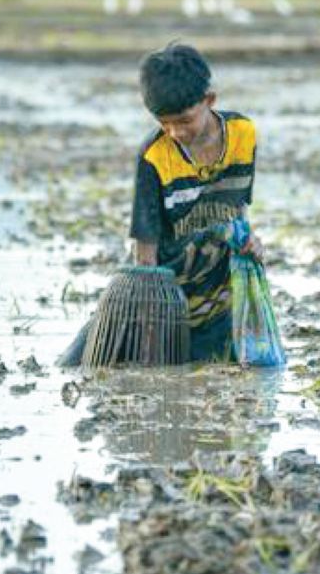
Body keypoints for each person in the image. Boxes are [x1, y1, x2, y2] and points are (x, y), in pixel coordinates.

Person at [60, 43, 262, 366]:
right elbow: (145, 252)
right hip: (163, 300)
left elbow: (237, 207)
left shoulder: (243, 135)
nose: (175, 132)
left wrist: (250, 240)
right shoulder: (153, 157)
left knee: (219, 371)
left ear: (210, 100)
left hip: (217, 298)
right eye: (164, 123)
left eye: (184, 121)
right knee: (76, 366)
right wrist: (154, 328)